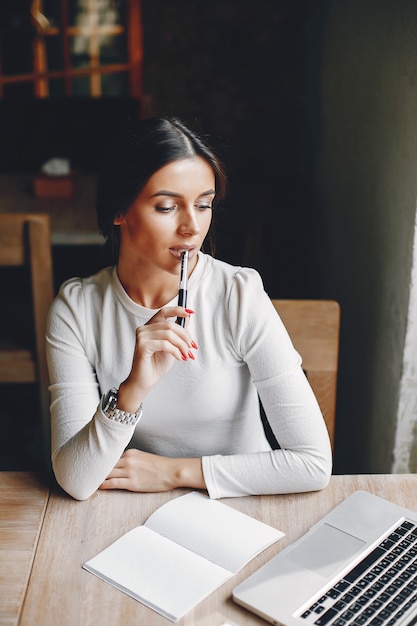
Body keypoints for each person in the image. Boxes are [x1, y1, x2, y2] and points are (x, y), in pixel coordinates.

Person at [46, 116, 332, 501]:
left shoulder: (238, 295)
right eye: (166, 207)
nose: (192, 228)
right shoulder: (77, 309)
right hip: (135, 512)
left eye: (204, 205)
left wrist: (173, 472)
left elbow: (313, 464)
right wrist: (132, 390)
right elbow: (76, 481)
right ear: (119, 210)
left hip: (248, 505)